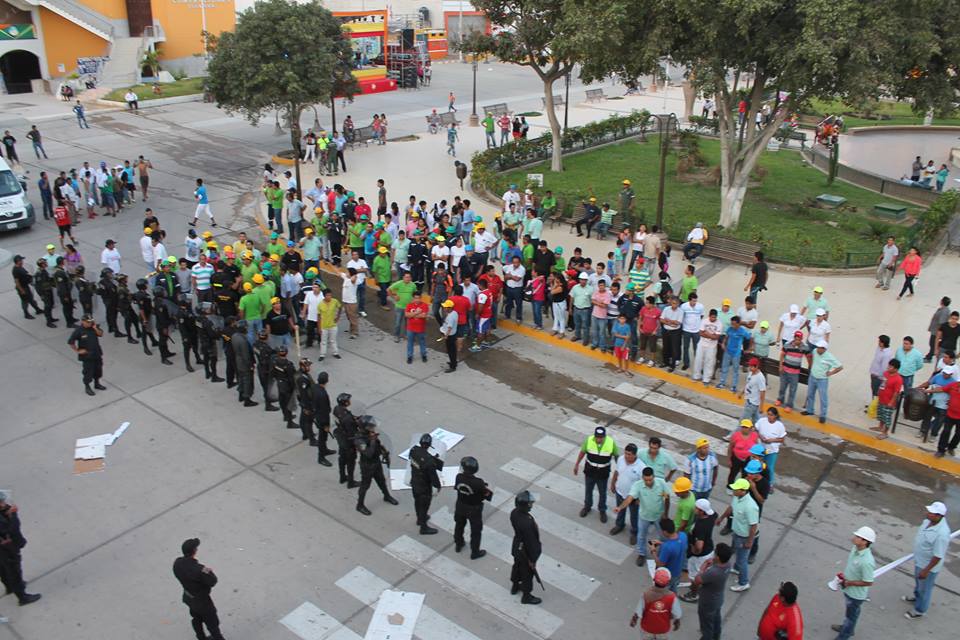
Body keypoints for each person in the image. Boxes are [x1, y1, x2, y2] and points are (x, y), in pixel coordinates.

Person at [904, 501, 951, 619]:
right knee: (919, 584)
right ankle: (917, 598)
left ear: (939, 516)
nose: (928, 514)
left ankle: (920, 610)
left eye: (931, 513)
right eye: (929, 511)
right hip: (920, 561)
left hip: (927, 566)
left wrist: (926, 570)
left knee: (925, 589)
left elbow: (938, 556)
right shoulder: (927, 522)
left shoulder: (942, 534)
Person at [614, 466, 669, 566]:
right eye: (646, 480)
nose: (648, 482)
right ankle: (641, 554)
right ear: (642, 478)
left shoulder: (661, 483)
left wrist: (665, 514)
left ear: (654, 477)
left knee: (663, 536)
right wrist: (620, 507)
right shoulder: (638, 485)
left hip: (658, 515)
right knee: (641, 536)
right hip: (644, 515)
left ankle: (662, 555)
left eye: (650, 480)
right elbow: (629, 498)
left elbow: (667, 498)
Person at [172, 538, 225, 640]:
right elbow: (213, 581)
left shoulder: (177, 563)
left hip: (189, 597)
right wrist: (209, 572)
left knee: (196, 618)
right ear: (194, 551)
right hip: (203, 602)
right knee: (212, 623)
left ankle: (201, 637)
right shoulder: (199, 569)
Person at [831, 526, 877, 640]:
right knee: (851, 614)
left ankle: (844, 636)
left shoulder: (867, 561)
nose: (854, 538)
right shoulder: (855, 549)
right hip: (848, 589)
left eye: (858, 537)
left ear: (865, 542)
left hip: (855, 595)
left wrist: (849, 583)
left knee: (850, 617)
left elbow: (868, 582)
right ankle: (848, 629)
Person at [0, 490, 42, 606]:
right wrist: (13, 514)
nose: (4, 503)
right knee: (14, 571)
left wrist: (5, 511)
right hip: (7, 549)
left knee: (3, 568)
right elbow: (12, 529)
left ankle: (9, 586)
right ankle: (22, 597)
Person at [717, 477, 758, 592]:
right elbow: (731, 508)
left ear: (743, 491)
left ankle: (743, 582)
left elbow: (753, 525)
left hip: (744, 537)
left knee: (742, 560)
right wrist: (721, 518)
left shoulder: (750, 506)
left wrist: (749, 541)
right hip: (736, 532)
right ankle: (736, 568)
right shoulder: (736, 497)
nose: (733, 491)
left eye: (736, 489)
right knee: (737, 554)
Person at [354, 415, 399, 515]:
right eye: (370, 426)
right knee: (365, 485)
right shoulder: (359, 440)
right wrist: (373, 440)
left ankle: (386, 496)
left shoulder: (370, 434)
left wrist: (384, 452)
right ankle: (360, 505)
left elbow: (378, 446)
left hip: (376, 462)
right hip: (367, 465)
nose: (373, 428)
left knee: (381, 481)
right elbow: (368, 453)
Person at [574, 426, 619, 523]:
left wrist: (620, 470)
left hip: (603, 473)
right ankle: (587, 507)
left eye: (601, 437)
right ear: (595, 436)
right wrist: (577, 464)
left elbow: (616, 456)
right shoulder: (589, 440)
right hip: (590, 471)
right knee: (588, 490)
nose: (599, 439)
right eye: (597, 437)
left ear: (604, 436)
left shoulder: (610, 442)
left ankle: (602, 510)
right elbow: (582, 452)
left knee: (602, 493)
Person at [454, 456, 491, 559]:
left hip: (461, 506)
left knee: (459, 526)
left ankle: (458, 544)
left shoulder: (459, 477)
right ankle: (475, 552)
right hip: (474, 509)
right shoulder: (478, 482)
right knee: (475, 531)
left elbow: (458, 487)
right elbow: (485, 495)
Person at [510, 490, 542, 605]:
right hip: (526, 552)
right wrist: (533, 559)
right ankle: (526, 596)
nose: (531, 505)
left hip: (517, 547)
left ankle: (515, 586)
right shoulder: (527, 523)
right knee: (527, 574)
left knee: (517, 567)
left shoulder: (514, 513)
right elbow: (532, 543)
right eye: (529, 504)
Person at [631, 567, 681, 637]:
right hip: (663, 630)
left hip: (647, 628)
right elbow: (677, 614)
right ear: (668, 582)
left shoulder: (646, 594)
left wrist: (634, 620)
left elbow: (638, 611)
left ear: (654, 579)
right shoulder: (672, 597)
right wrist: (677, 622)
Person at [409, 433, 442, 534]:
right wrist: (438, 486)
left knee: (417, 502)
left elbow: (418, 461)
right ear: (429, 445)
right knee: (424, 507)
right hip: (424, 488)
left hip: (414, 482)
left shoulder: (413, 450)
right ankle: (423, 528)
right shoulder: (429, 461)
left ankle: (419, 519)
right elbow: (434, 478)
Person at [803, 340, 843, 423]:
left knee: (823, 398)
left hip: (822, 380)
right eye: (818, 347)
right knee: (810, 394)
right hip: (812, 376)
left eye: (820, 348)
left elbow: (840, 367)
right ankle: (810, 410)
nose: (818, 349)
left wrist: (831, 373)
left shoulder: (830, 357)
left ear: (824, 349)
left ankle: (823, 415)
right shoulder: (815, 351)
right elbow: (812, 358)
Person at [870, 358, 903, 440]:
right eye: (889, 365)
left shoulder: (898, 379)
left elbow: (896, 392)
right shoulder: (886, 373)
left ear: (896, 369)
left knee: (887, 417)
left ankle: (885, 433)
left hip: (889, 402)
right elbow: (883, 383)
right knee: (881, 414)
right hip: (881, 399)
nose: (888, 367)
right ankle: (880, 427)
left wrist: (891, 402)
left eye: (891, 367)